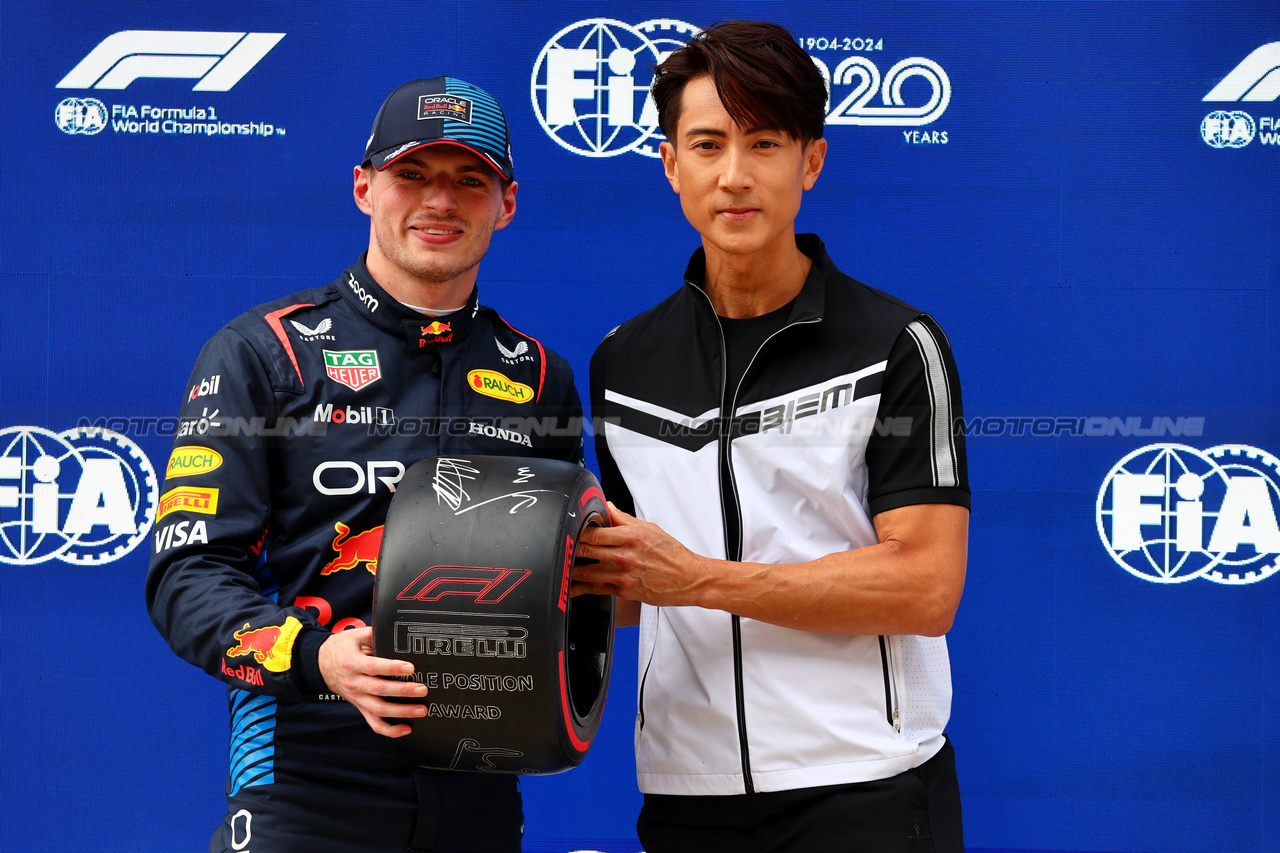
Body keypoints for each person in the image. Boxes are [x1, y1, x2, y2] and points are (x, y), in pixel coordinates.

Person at [146, 77, 583, 853]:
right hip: (306, 776)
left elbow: (566, 586)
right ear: (363, 187)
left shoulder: (540, 375)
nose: (439, 201)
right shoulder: (263, 353)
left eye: (469, 180)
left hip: (480, 782)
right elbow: (187, 577)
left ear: (506, 203)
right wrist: (317, 658)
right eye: (412, 174)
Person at [573, 21, 970, 853]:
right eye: (708, 144)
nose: (735, 176)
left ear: (811, 162)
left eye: (764, 143)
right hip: (688, 790)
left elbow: (926, 585)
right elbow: (632, 585)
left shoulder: (896, 343)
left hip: (863, 785)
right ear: (670, 163)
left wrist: (702, 580)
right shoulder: (621, 362)